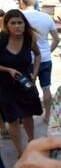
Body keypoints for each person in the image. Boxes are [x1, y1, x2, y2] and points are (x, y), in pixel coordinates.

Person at [0, 9, 42, 157]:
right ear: (7, 25)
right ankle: (21, 151)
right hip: (4, 85)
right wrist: (8, 69)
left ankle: (31, 141)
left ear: (24, 24)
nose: (17, 26)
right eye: (13, 23)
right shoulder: (1, 39)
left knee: (27, 114)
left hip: (24, 82)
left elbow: (37, 54)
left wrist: (35, 73)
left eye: (20, 22)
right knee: (12, 119)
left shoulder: (29, 39)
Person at [19, 0, 60, 124]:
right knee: (46, 88)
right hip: (45, 59)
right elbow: (56, 39)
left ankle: (25, 116)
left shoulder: (19, 17)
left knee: (25, 88)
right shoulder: (46, 17)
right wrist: (48, 51)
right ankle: (48, 115)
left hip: (25, 60)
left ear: (21, 2)